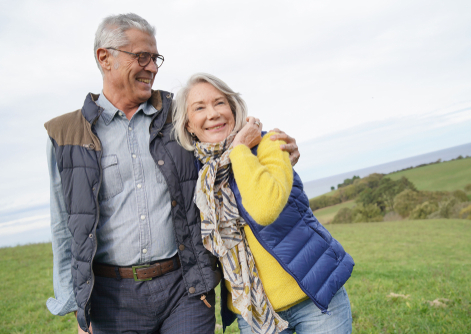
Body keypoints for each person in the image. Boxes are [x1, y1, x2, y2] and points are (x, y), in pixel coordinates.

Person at [44, 14, 300, 334]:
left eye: (155, 58)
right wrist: (79, 310)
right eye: (142, 57)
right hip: (112, 299)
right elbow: (64, 226)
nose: (152, 67)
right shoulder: (66, 134)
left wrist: (273, 148)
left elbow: (224, 128)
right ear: (104, 57)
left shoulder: (176, 114)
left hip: (186, 288)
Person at [172, 73, 355, 334]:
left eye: (220, 103)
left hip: (314, 299)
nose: (212, 114)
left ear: (233, 109)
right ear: (189, 124)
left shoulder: (270, 143)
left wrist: (238, 149)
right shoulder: (200, 177)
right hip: (256, 313)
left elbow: (264, 209)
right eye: (199, 108)